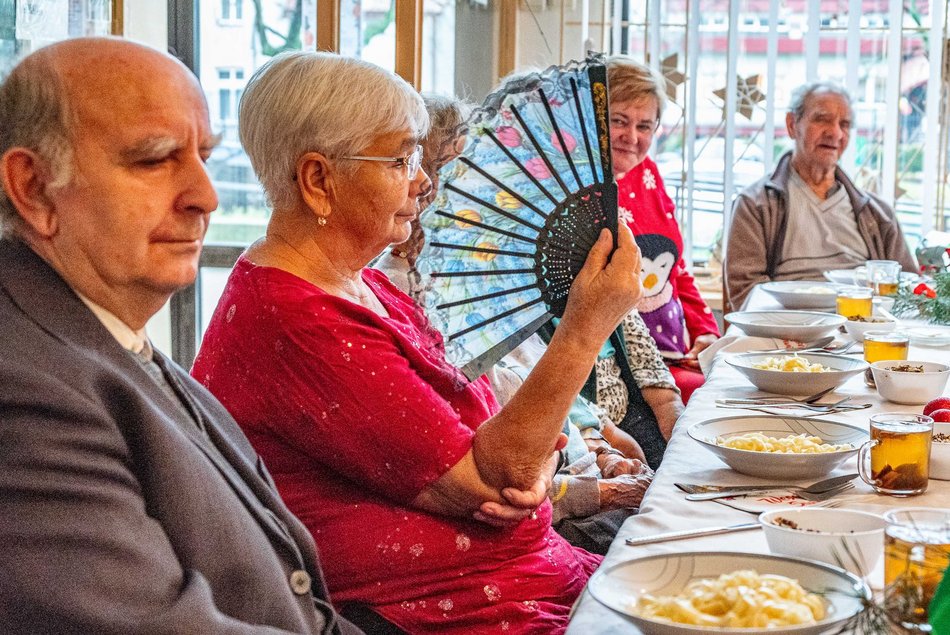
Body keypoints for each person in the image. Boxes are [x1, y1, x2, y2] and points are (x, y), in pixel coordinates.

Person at [192, 52, 643, 634]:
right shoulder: (297, 319)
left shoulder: (366, 283)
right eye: (401, 159)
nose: (424, 180)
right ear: (318, 179)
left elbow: (492, 435)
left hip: (517, 576)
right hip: (440, 611)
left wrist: (534, 463)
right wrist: (585, 327)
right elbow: (496, 472)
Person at [0, 38, 359, 634]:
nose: (206, 198)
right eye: (155, 159)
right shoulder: (23, 385)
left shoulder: (102, 334)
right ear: (34, 188)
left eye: (204, 157)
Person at [376, 94, 653, 555]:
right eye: (464, 173)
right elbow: (497, 481)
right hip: (533, 520)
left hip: (567, 478)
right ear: (422, 185)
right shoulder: (400, 294)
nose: (487, 191)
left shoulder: (471, 278)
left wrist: (599, 445)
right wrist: (597, 485)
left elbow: (533, 381)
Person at [725, 81, 918, 311]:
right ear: (792, 125)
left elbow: (910, 290)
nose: (835, 133)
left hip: (861, 328)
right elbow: (747, 293)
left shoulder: (877, 213)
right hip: (788, 333)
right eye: (822, 119)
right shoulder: (755, 205)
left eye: (844, 124)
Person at [606, 55, 721, 403]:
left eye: (645, 126)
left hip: (679, 355)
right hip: (632, 370)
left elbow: (677, 270)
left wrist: (705, 332)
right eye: (618, 121)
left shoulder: (648, 173)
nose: (631, 136)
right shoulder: (580, 189)